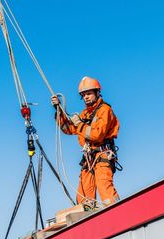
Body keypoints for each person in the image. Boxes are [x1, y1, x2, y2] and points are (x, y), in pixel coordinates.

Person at [51, 76, 120, 209]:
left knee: (104, 187)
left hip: (102, 155)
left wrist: (79, 123)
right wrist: (59, 111)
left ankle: (116, 212)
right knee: (84, 194)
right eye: (83, 95)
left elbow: (97, 135)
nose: (86, 97)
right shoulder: (85, 114)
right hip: (89, 158)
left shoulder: (105, 110)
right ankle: (88, 220)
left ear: (97, 92)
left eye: (88, 93)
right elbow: (69, 129)